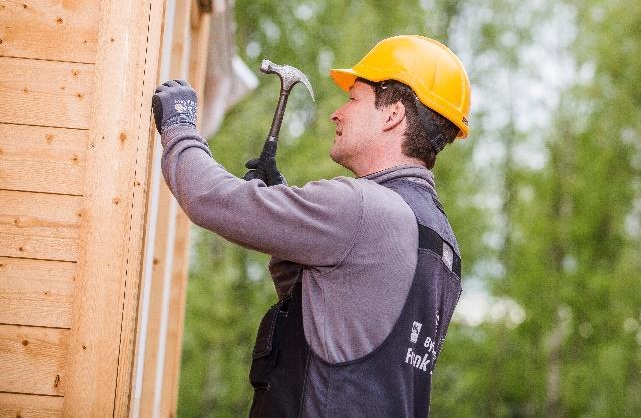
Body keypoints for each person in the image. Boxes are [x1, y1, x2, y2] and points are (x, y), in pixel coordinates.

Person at [151, 35, 471, 417]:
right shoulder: (441, 243)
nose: (338, 113)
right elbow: (333, 318)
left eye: (353, 98)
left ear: (393, 114)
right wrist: (288, 219)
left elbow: (211, 200)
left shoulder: (361, 207)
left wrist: (180, 128)